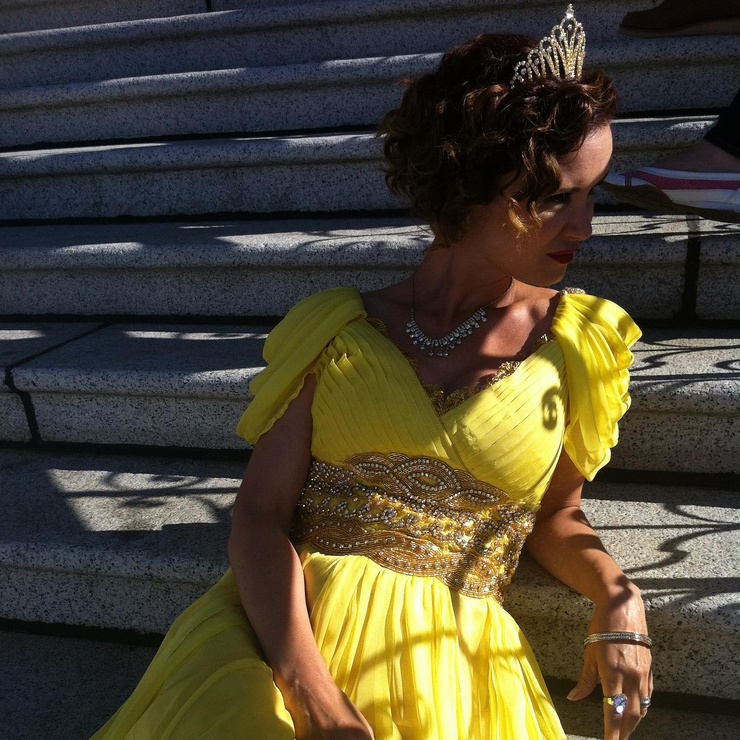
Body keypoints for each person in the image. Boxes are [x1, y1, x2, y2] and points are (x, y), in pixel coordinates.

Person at [92, 6, 653, 740]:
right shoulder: (336, 328)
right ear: (466, 184)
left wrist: (617, 596)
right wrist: (311, 693)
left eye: (592, 193)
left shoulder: (581, 340)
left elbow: (555, 514)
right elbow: (259, 516)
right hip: (286, 638)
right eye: (553, 198)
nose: (584, 227)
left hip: (451, 660)